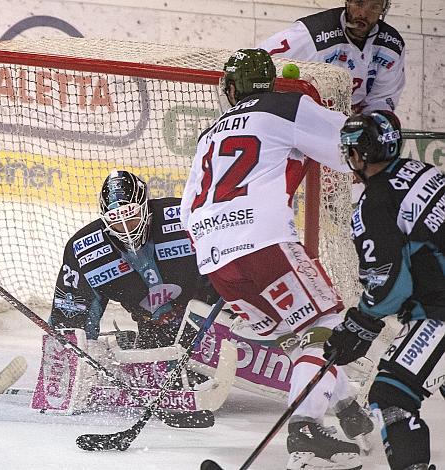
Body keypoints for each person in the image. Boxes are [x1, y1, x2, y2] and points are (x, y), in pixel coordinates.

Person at [180, 48, 374, 470]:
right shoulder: (285, 104)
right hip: (264, 245)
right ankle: (305, 430)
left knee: (296, 340)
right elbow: (352, 141)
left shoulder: (208, 134)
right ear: (269, 83)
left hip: (216, 262)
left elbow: (186, 211)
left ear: (230, 89)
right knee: (324, 327)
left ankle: (347, 410)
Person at [324, 111, 443, 470]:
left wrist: (358, 324)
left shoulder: (374, 202)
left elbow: (389, 284)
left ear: (360, 154)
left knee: (391, 394)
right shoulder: (425, 173)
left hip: (438, 310)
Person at [49, 169, 217, 349]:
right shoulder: (83, 249)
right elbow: (70, 324)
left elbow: (225, 258)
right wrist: (79, 351)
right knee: (151, 373)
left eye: (131, 217)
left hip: (211, 321)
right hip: (152, 330)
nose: (126, 228)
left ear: (145, 207)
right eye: (116, 220)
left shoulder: (185, 217)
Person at [258, 0, 405, 114]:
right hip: (306, 118)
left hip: (350, 125)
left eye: (375, 6)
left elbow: (382, 99)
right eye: (359, 2)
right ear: (348, 1)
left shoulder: (391, 46)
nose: (363, 13)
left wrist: (370, 126)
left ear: (383, 9)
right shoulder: (313, 33)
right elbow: (255, 61)